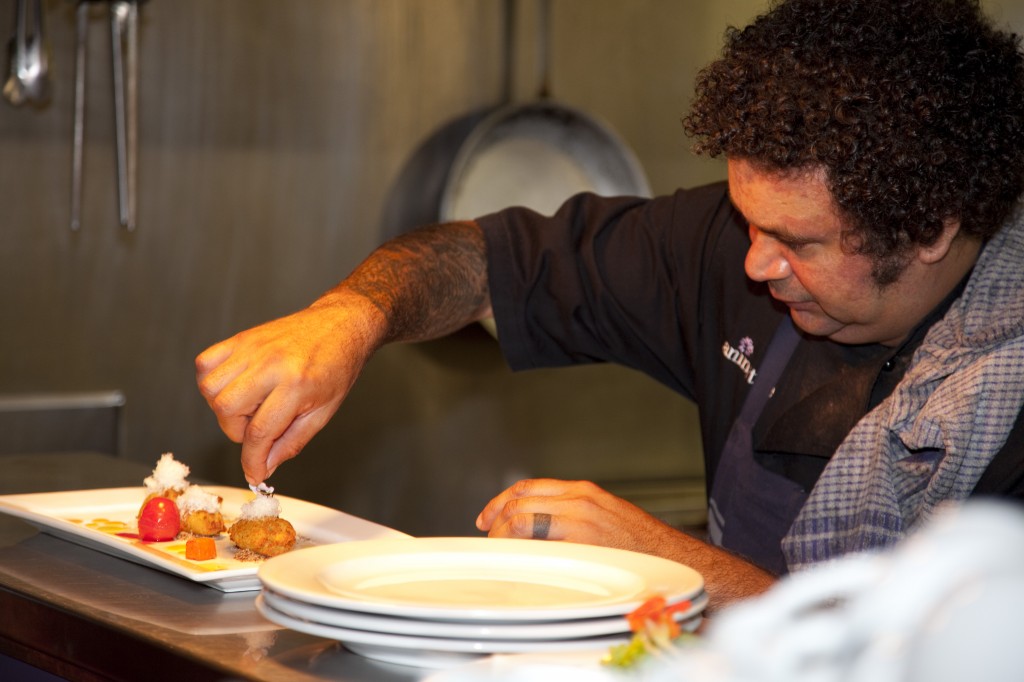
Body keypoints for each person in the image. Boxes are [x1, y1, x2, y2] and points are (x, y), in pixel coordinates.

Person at [196, 0, 1024, 611]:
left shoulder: (1003, 387)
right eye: (747, 221)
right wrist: (354, 315)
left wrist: (669, 563)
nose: (753, 260)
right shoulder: (729, 248)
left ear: (931, 229)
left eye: (799, 244)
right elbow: (488, 261)